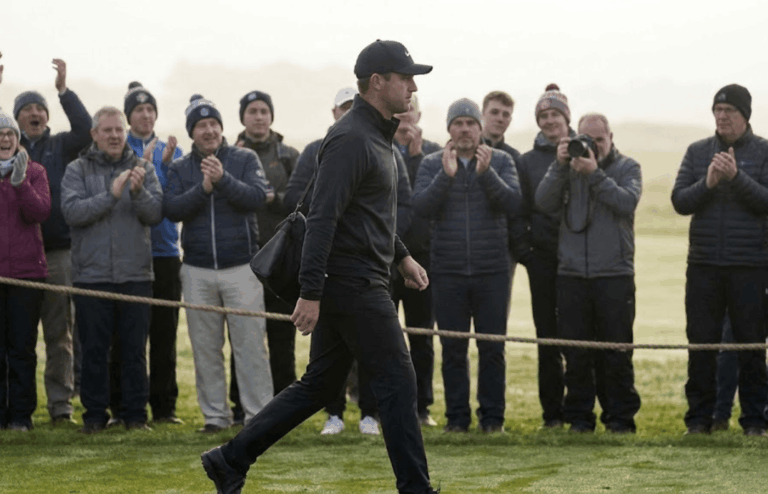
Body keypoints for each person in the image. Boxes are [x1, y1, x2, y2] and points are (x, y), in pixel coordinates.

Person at [201, 40, 439, 494]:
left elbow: (364, 214)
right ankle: (416, 489)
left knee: (318, 385)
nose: (412, 87)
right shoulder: (352, 138)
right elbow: (322, 216)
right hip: (352, 284)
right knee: (397, 382)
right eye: (405, 77)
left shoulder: (374, 135)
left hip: (359, 278)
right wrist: (310, 292)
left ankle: (229, 459)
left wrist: (403, 254)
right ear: (378, 82)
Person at [163, 95, 273, 433]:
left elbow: (257, 198)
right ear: (192, 133)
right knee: (206, 350)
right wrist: (205, 188)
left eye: (213, 124)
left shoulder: (243, 158)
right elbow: (172, 209)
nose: (208, 130)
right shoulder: (180, 168)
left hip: (241, 267)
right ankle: (215, 417)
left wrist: (223, 180)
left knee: (251, 348)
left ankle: (259, 418)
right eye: (201, 126)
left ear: (222, 128)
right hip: (197, 269)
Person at [413, 98, 521, 433]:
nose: (464, 129)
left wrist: (486, 175)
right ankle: (457, 420)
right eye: (457, 123)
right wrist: (445, 177)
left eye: (470, 123)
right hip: (448, 272)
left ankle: (493, 421)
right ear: (449, 129)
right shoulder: (433, 163)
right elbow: (421, 208)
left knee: (492, 349)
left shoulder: (500, 161)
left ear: (479, 129)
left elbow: (513, 203)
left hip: (492, 272)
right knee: (453, 349)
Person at [535, 112, 642, 433]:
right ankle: (579, 420)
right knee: (576, 354)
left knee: (616, 353)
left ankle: (620, 420)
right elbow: (543, 202)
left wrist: (595, 174)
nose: (592, 145)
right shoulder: (568, 168)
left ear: (611, 138)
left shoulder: (628, 167)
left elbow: (626, 202)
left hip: (614, 274)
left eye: (599, 139)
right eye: (586, 139)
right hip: (572, 276)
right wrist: (559, 166)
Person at [671, 84, 768, 436]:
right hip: (703, 266)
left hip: (751, 266)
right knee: (701, 344)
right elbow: (680, 201)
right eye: (717, 110)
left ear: (745, 116)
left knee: (752, 348)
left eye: (730, 111)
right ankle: (699, 420)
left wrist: (737, 178)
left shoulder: (764, 152)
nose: (722, 116)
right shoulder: (698, 152)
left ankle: (755, 421)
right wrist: (708, 183)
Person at [61, 106, 163, 433]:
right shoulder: (77, 169)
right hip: (92, 276)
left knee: (134, 351)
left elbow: (155, 213)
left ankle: (134, 416)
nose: (115, 136)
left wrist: (137, 191)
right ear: (94, 135)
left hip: (136, 275)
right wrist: (111, 195)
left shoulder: (142, 168)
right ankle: (94, 417)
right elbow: (73, 212)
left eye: (119, 130)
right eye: (108, 130)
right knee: (93, 351)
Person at [14, 58, 91, 425]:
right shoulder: (7, 150)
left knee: (60, 334)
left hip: (58, 252)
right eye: (27, 109)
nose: (34, 113)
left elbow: (85, 127)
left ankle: (61, 407)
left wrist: (63, 91)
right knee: (17, 336)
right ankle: (17, 407)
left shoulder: (61, 145)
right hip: (15, 257)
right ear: (15, 119)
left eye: (39, 109)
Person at [228, 90, 300, 425]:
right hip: (243, 257)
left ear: (271, 116)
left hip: (282, 261)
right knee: (244, 338)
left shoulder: (288, 155)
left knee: (282, 337)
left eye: (264, 111)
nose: (258, 117)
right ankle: (239, 406)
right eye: (252, 111)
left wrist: (274, 198)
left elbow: (303, 198)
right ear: (242, 117)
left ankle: (284, 406)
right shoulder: (230, 154)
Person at [117, 82, 184, 425]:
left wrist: (169, 165)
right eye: (138, 110)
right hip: (129, 254)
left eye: (149, 109)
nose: (145, 114)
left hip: (166, 252)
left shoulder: (172, 149)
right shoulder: (118, 147)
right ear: (128, 116)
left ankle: (164, 408)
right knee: (127, 337)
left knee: (164, 334)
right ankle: (127, 408)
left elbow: (178, 200)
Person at [509, 84, 574, 428]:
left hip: (579, 260)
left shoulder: (583, 151)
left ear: (567, 118)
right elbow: (519, 213)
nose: (550, 121)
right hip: (543, 260)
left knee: (578, 336)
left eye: (555, 115)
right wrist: (526, 254)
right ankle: (552, 414)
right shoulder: (527, 161)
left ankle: (580, 410)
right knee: (547, 337)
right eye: (544, 116)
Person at [390, 94, 442, 428]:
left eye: (413, 112)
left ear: (420, 115)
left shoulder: (435, 154)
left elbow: (425, 203)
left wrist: (418, 157)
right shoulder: (381, 149)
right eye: (401, 113)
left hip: (422, 256)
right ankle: (386, 405)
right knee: (385, 338)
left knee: (422, 338)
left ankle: (422, 406)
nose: (408, 119)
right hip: (385, 257)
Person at [0, 111, 51, 431]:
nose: (5, 139)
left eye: (10, 134)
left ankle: (21, 414)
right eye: (0, 134)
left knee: (22, 348)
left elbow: (40, 212)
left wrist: (20, 186)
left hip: (26, 275)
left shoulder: (34, 171)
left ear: (18, 139)